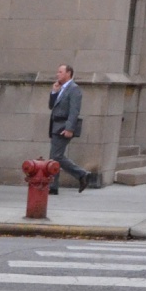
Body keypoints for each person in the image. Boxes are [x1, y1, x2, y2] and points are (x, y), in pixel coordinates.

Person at [47, 64, 92, 194]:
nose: (57, 74)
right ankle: (53, 186)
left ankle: (81, 174)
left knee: (56, 156)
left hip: (63, 126)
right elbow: (52, 106)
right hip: (55, 126)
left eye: (60, 72)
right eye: (58, 72)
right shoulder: (60, 88)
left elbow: (74, 111)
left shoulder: (74, 89)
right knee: (54, 157)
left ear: (68, 73)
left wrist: (69, 128)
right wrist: (54, 92)